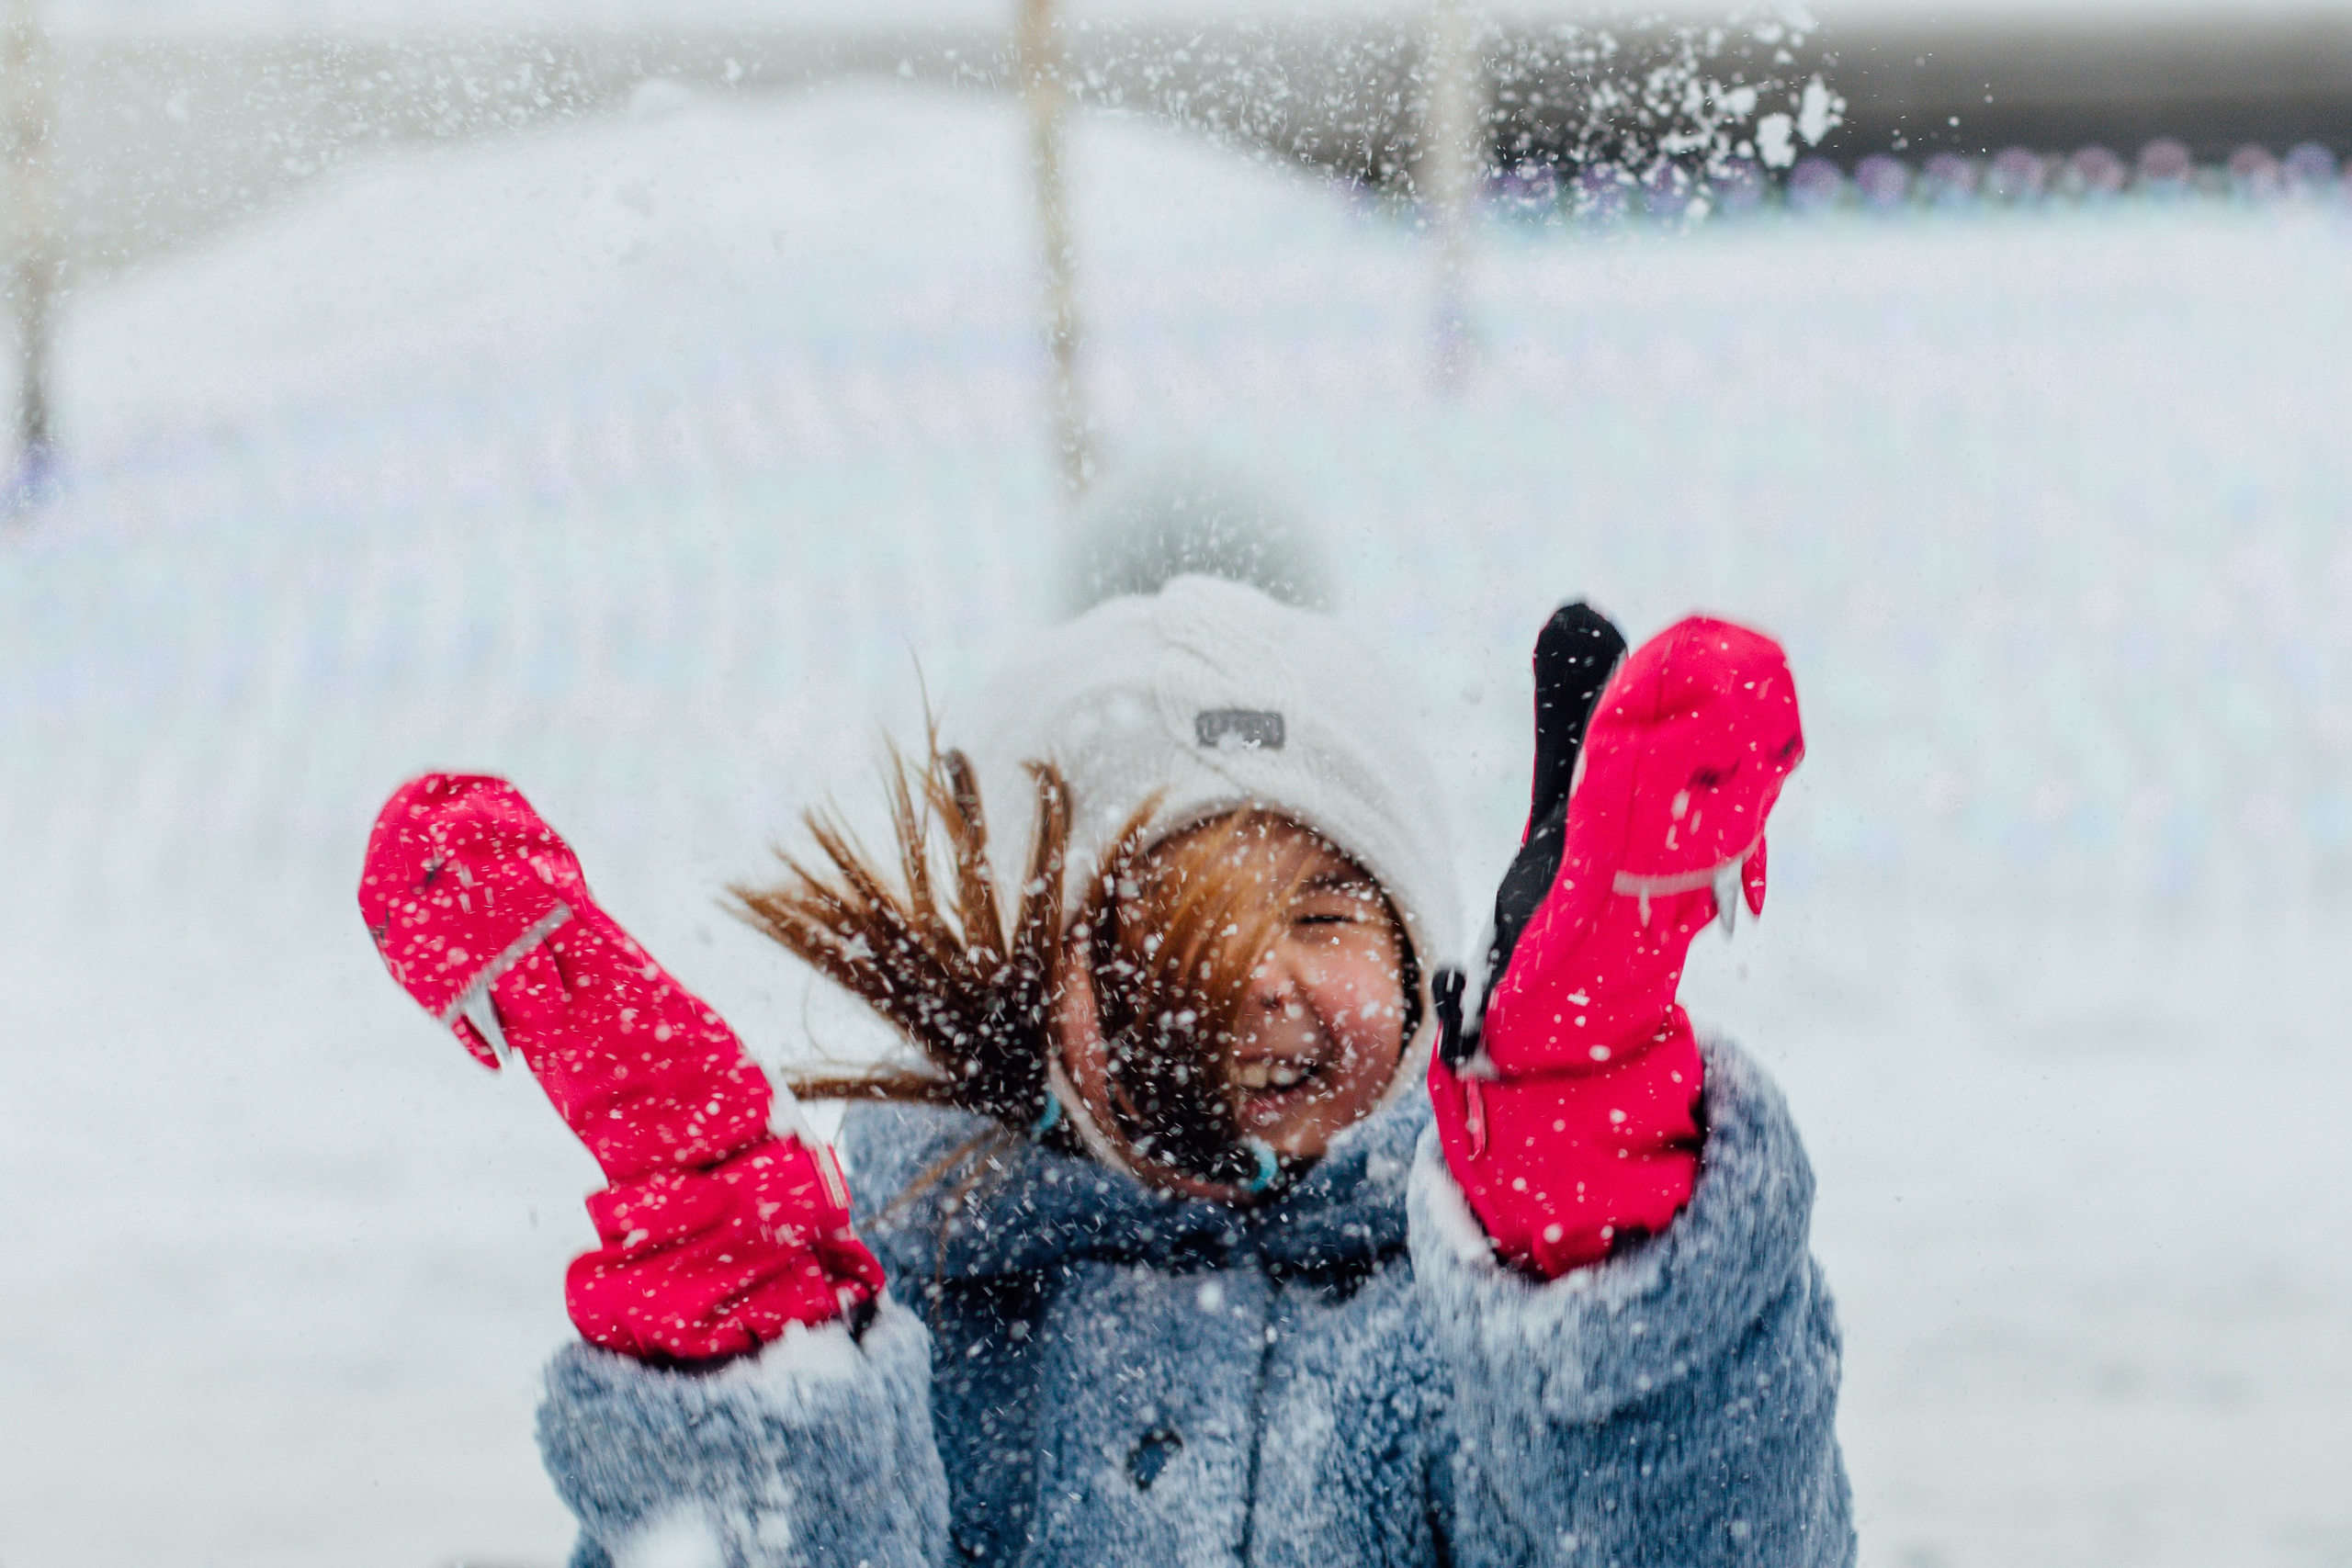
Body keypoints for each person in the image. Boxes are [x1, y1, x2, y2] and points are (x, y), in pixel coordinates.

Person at [358, 572, 1850, 1568]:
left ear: (1424, 965)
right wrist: (731, 1295)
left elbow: (1698, 1534)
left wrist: (1592, 1183)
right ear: (1025, 1002)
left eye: (1328, 914)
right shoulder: (926, 1317)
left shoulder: (1458, 1325)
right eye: (1166, 937)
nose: (1264, 978)